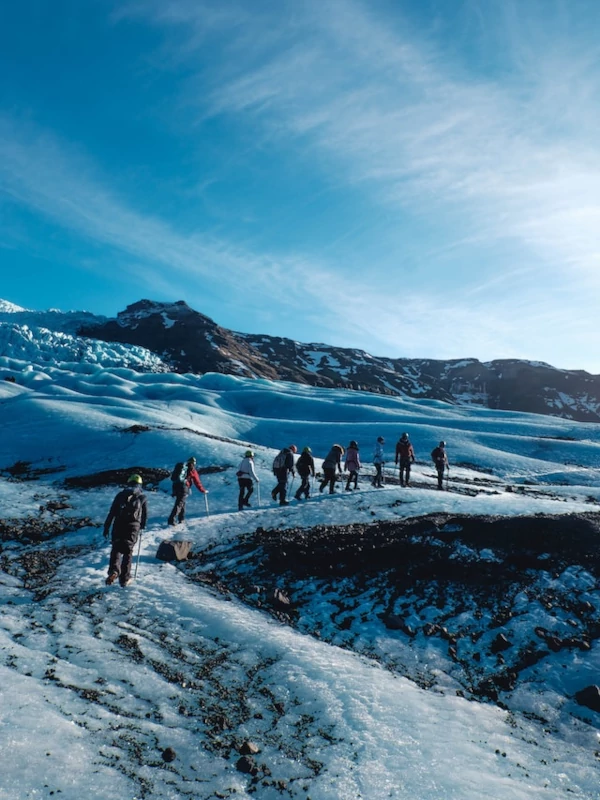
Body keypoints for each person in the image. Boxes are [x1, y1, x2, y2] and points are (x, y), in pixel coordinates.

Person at [104, 474, 147, 587]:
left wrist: (106, 527)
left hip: (118, 525)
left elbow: (112, 512)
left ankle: (114, 571)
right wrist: (142, 526)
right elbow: (145, 515)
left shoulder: (120, 495)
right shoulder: (142, 497)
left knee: (116, 548)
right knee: (128, 551)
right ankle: (124, 579)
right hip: (133, 527)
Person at [168, 456, 208, 525]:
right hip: (184, 487)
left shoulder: (183, 468)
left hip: (176, 486)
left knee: (182, 502)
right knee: (180, 503)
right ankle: (171, 520)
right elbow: (197, 482)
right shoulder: (192, 470)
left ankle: (181, 519)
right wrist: (203, 490)